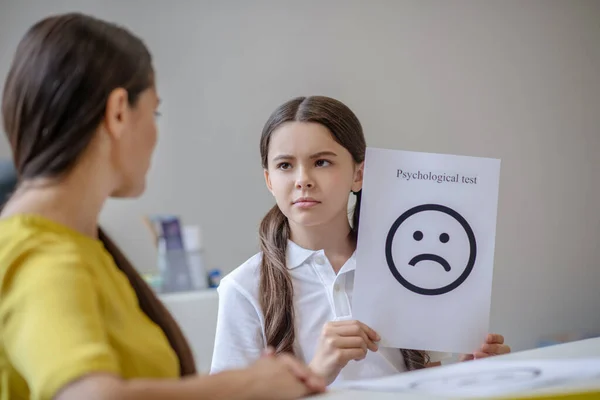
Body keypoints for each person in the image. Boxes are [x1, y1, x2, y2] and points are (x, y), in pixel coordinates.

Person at [0, 13, 325, 400]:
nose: (155, 133)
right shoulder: (40, 253)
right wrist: (249, 384)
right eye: (153, 112)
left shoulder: (82, 250)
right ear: (119, 111)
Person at [210, 95, 511, 385]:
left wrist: (466, 374)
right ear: (269, 181)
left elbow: (425, 382)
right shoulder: (244, 289)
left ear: (359, 174)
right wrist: (316, 374)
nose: (303, 179)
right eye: (285, 165)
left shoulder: (410, 267)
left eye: (322, 162)